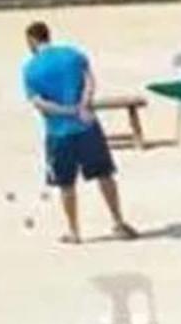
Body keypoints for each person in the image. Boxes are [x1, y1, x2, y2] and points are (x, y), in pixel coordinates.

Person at [21, 21, 137, 244]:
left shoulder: (30, 69)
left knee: (66, 184)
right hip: (87, 126)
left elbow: (39, 103)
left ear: (32, 40)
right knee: (105, 175)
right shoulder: (73, 54)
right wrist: (83, 105)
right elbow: (90, 82)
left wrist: (67, 110)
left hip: (58, 133)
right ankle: (118, 222)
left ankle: (74, 232)